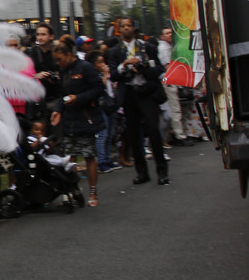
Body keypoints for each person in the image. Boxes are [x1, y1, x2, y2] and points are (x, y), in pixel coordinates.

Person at [108, 17, 169, 187]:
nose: (126, 28)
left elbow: (159, 69)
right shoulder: (116, 51)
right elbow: (113, 74)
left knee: (153, 131)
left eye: (129, 25)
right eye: (123, 26)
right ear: (119, 30)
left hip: (146, 92)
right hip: (129, 94)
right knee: (134, 134)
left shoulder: (146, 46)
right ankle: (141, 173)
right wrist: (124, 64)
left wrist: (144, 69)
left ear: (134, 28)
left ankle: (162, 172)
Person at [50, 38, 104, 206]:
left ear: (68, 54)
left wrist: (79, 98)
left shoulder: (85, 67)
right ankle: (72, 192)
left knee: (88, 155)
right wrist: (58, 110)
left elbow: (98, 88)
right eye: (56, 60)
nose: (58, 63)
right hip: (69, 120)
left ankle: (93, 193)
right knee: (69, 158)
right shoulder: (62, 70)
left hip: (85, 118)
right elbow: (62, 93)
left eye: (60, 59)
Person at [86, 49, 119, 172]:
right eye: (100, 62)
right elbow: (100, 87)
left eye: (103, 61)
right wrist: (105, 74)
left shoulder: (105, 73)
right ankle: (102, 162)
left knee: (109, 134)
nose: (103, 65)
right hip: (100, 105)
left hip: (109, 104)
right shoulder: (93, 75)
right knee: (102, 135)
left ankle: (108, 159)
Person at [26, 22, 60, 122]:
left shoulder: (58, 52)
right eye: (38, 34)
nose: (40, 37)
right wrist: (36, 76)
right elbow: (22, 75)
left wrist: (56, 77)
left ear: (51, 36)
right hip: (36, 101)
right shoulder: (30, 52)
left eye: (43, 34)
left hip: (55, 98)